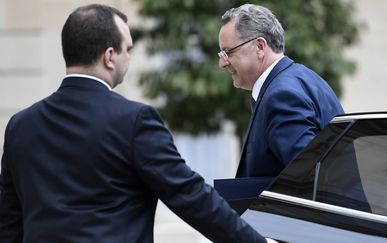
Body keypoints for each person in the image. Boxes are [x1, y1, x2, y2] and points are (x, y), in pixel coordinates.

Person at [0, 4, 276, 243]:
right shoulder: (134, 121)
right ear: (109, 56)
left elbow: (9, 223)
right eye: (127, 50)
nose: (129, 58)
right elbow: (191, 196)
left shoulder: (20, 126)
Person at [218, 4, 344, 179]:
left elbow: (311, 179)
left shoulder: (281, 96)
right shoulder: (303, 78)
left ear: (260, 46)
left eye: (228, 52)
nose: (222, 63)